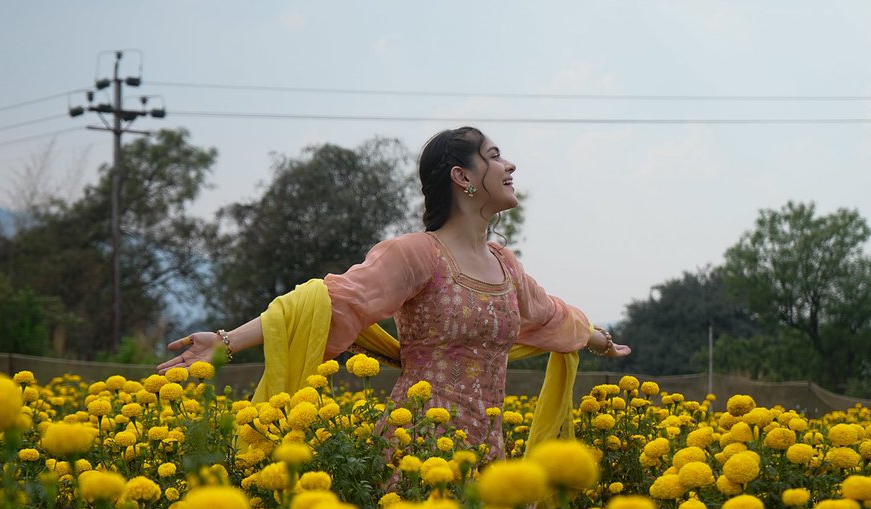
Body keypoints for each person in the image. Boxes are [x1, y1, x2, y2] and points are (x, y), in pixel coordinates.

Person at [156, 126, 630, 458]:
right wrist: (225, 341)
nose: (509, 165)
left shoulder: (507, 268)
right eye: (493, 156)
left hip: (488, 454)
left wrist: (601, 341)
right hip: (416, 447)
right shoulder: (415, 255)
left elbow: (553, 318)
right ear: (462, 178)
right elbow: (330, 300)